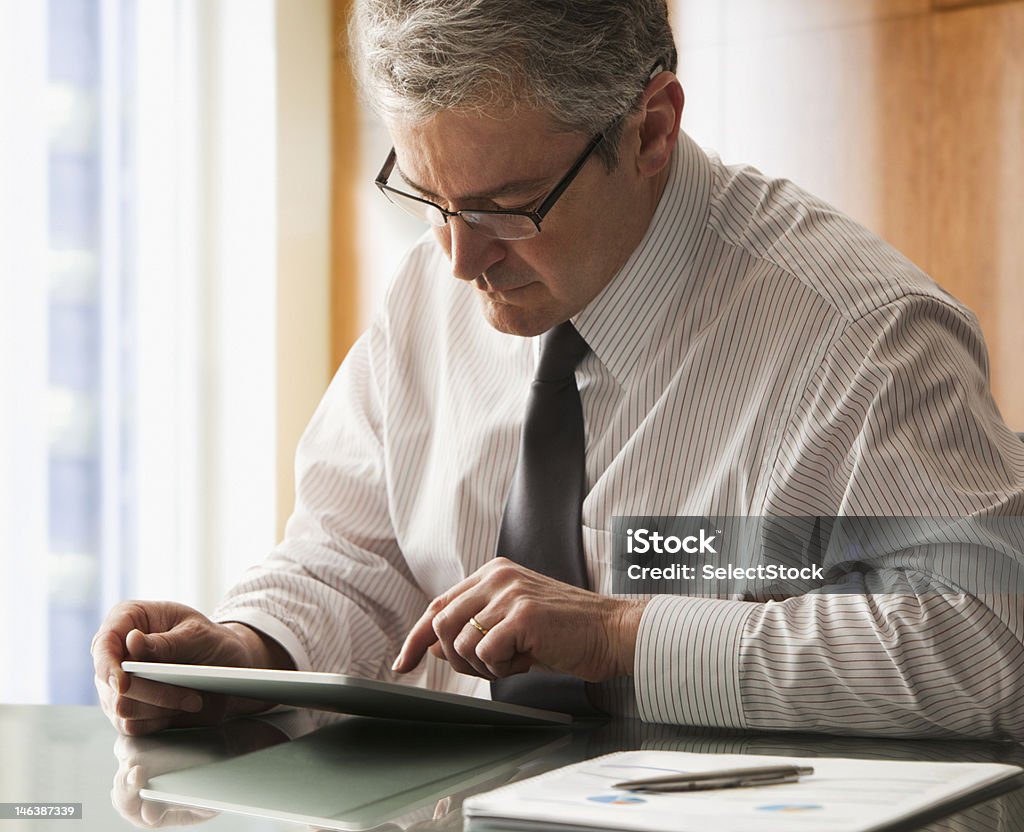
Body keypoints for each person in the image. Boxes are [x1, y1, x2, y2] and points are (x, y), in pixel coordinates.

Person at [92, 0, 1024, 738]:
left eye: (507, 205)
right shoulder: (433, 282)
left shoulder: (859, 337)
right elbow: (355, 554)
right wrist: (248, 653)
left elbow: (991, 644)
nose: (459, 262)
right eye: (427, 198)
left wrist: (620, 635)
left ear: (652, 131)